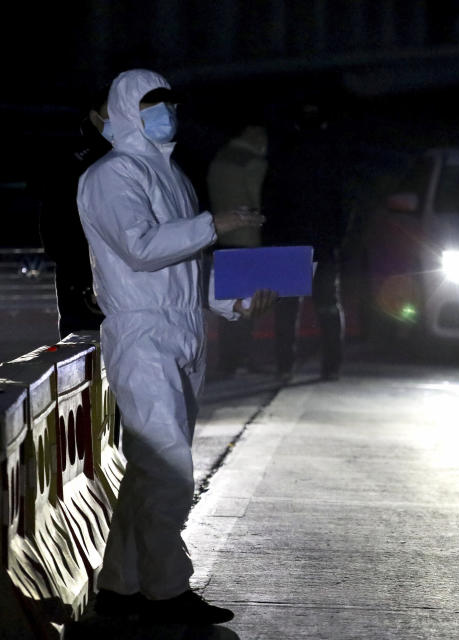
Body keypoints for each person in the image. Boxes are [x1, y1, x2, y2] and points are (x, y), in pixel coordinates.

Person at [76, 68, 274, 624]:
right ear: (124, 111)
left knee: (150, 468)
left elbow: (188, 264)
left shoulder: (173, 175)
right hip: (141, 334)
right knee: (167, 467)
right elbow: (141, 248)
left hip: (182, 329)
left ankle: (121, 584)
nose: (167, 113)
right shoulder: (112, 176)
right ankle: (167, 591)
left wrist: (235, 302)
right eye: (152, 104)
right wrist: (217, 222)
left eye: (169, 102)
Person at [262, 102, 349, 380]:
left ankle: (285, 365)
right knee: (327, 306)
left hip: (289, 242)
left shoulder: (284, 153)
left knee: (287, 308)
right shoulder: (334, 154)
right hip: (323, 244)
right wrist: (339, 239)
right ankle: (331, 366)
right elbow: (345, 202)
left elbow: (271, 202)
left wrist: (270, 240)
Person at [30, 89, 112, 338]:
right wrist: (88, 281)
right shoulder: (75, 166)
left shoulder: (144, 162)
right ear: (95, 116)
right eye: (112, 111)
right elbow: (56, 234)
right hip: (87, 297)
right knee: (85, 364)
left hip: (130, 298)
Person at [206, 124, 269, 377]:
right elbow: (257, 200)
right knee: (246, 303)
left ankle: (227, 362)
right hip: (247, 238)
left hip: (221, 237)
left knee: (226, 303)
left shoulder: (219, 159)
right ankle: (244, 357)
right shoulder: (254, 162)